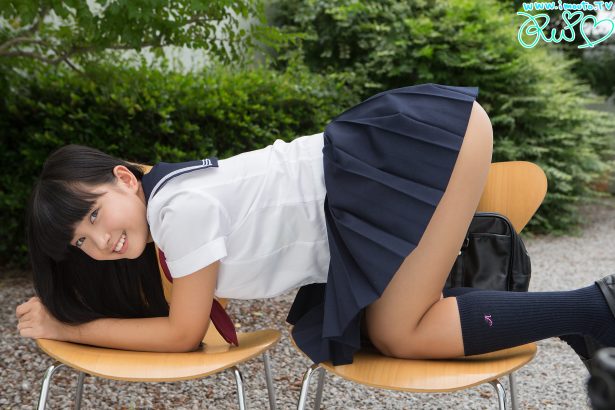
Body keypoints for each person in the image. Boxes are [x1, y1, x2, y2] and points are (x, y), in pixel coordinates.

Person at [15, 83, 615, 367]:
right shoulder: (169, 202)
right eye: (81, 242)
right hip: (395, 156)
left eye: (94, 214)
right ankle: (582, 318)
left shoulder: (175, 210)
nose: (101, 241)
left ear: (124, 178)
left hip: (418, 144)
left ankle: (596, 308)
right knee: (387, 332)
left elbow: (181, 335)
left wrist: (68, 327)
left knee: (401, 335)